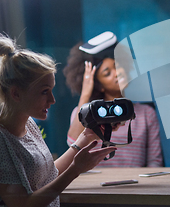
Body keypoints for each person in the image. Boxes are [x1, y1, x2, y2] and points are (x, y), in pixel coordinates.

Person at [0, 34, 145, 207]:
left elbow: (48, 175)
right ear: (16, 93)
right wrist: (74, 171)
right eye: (44, 92)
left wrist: (84, 138)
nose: (52, 99)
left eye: (51, 90)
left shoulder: (28, 126)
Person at [63, 33, 162, 167]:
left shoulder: (147, 114)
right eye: (107, 73)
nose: (116, 73)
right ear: (98, 84)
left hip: (137, 186)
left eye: (117, 65)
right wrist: (86, 92)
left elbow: (155, 162)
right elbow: (72, 143)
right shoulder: (83, 112)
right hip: (96, 186)